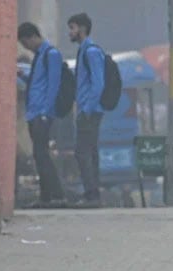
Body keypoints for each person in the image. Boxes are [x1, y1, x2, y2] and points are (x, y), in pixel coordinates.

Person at [17, 22, 67, 208]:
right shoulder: (39, 56)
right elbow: (37, 82)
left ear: (32, 37)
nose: (25, 47)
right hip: (34, 112)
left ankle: (55, 195)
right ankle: (47, 196)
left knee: (42, 154)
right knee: (39, 155)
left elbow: (53, 85)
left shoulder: (51, 55)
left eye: (25, 43)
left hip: (42, 113)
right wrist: (22, 75)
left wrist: (46, 112)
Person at [68, 13, 105, 208]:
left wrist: (87, 109)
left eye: (72, 28)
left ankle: (92, 195)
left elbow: (98, 83)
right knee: (89, 152)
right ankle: (93, 193)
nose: (70, 32)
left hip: (90, 111)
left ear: (81, 28)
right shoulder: (84, 50)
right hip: (86, 109)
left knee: (83, 152)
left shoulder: (90, 51)